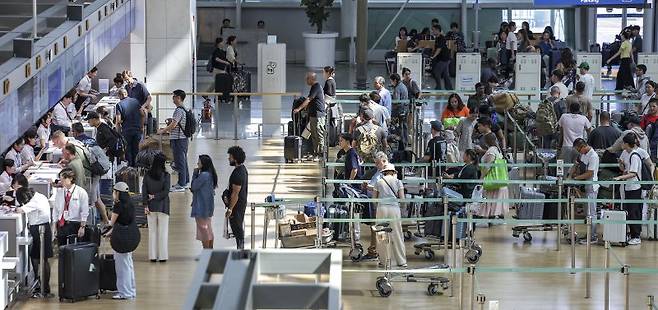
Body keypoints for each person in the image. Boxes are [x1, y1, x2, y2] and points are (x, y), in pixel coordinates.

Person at [14, 187, 53, 296]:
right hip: (42, 228)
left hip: (40, 230)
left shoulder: (34, 201)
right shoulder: (39, 196)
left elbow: (20, 210)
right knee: (35, 256)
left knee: (43, 258)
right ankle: (39, 281)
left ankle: (44, 286)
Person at [70, 123, 110, 225]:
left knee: (91, 200)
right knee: (96, 199)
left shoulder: (78, 142)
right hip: (99, 169)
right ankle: (106, 221)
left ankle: (92, 224)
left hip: (93, 172)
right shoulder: (90, 139)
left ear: (75, 132)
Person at [614, 133, 648, 246]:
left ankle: (636, 236)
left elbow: (633, 173)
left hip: (634, 187)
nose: (622, 144)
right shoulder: (626, 153)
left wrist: (620, 177)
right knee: (628, 210)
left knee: (634, 211)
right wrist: (621, 164)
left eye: (623, 143)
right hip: (627, 187)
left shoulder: (634, 155)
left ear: (627, 144)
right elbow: (625, 169)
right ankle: (631, 233)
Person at [104, 182, 137, 300]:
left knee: (121, 267)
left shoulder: (118, 205)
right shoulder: (130, 203)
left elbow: (111, 223)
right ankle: (131, 290)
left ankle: (124, 292)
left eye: (114, 191)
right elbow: (124, 221)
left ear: (117, 193)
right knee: (128, 264)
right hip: (132, 236)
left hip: (121, 239)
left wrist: (106, 230)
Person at [372, 164, 407, 268]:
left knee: (381, 234)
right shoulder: (398, 182)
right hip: (394, 209)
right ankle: (401, 261)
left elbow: (374, 200)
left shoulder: (379, 182)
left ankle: (383, 261)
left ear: (384, 172)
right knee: (397, 234)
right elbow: (402, 200)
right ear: (393, 172)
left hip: (382, 208)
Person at [158, 90, 190, 191]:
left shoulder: (179, 110)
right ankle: (185, 181)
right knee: (183, 161)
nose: (173, 98)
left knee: (180, 161)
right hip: (182, 139)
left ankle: (181, 184)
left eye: (174, 96)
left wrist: (163, 131)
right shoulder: (183, 109)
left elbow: (174, 125)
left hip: (178, 139)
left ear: (179, 98)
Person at [570, 139, 600, 244]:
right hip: (584, 186)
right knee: (587, 212)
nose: (579, 152)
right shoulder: (583, 154)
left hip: (591, 186)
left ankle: (593, 236)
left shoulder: (593, 156)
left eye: (579, 149)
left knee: (591, 212)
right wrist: (570, 175)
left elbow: (590, 173)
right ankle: (589, 234)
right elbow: (576, 164)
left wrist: (576, 178)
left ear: (583, 146)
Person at [142, 153, 170, 262]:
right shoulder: (166, 175)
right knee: (163, 232)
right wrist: (156, 196)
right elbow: (166, 191)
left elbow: (144, 190)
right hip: (163, 207)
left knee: (152, 232)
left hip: (150, 206)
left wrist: (145, 204)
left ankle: (152, 256)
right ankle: (163, 256)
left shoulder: (147, 175)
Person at [52, 168, 89, 247]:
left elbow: (84, 211)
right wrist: (54, 225)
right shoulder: (60, 192)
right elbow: (56, 209)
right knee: (61, 248)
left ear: (71, 178)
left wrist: (82, 227)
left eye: (63, 179)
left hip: (74, 224)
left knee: (73, 249)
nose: (61, 182)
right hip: (61, 224)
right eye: (60, 179)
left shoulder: (81, 192)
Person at [293, 73, 326, 160]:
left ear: (312, 79)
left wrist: (299, 109)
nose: (306, 80)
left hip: (318, 115)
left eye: (307, 78)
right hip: (313, 115)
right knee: (314, 136)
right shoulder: (314, 87)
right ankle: (316, 153)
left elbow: (309, 99)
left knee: (319, 135)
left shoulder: (316, 86)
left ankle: (321, 155)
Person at [479, 133, 509, 218]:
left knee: (490, 201)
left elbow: (488, 166)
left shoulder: (491, 151)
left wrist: (482, 177)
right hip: (500, 180)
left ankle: (491, 217)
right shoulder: (498, 150)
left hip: (492, 180)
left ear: (486, 141)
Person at [190, 155, 217, 250]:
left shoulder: (204, 175)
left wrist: (194, 174)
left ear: (203, 164)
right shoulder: (210, 175)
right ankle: (210, 250)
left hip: (201, 207)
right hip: (208, 207)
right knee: (208, 229)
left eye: (199, 162)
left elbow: (193, 186)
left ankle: (207, 252)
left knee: (203, 230)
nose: (197, 163)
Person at [225, 146, 248, 250]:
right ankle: (240, 249)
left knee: (237, 229)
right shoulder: (243, 170)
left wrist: (230, 209)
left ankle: (240, 250)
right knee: (238, 228)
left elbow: (235, 194)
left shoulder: (237, 174)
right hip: (241, 204)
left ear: (235, 158)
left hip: (236, 206)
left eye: (230, 156)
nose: (228, 158)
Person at [115, 89, 144, 167]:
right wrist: (142, 126)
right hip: (137, 129)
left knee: (128, 150)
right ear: (127, 94)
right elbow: (142, 114)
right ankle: (137, 168)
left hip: (127, 130)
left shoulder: (119, 105)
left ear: (120, 95)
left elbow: (118, 121)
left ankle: (130, 169)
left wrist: (118, 133)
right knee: (136, 149)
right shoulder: (135, 101)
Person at [430, 25, 452, 90]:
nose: (432, 31)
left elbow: (439, 49)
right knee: (445, 75)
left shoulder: (442, 38)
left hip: (444, 59)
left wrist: (433, 56)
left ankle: (438, 87)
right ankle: (449, 88)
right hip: (443, 59)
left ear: (437, 30)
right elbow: (436, 48)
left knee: (436, 72)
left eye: (433, 30)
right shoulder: (437, 38)